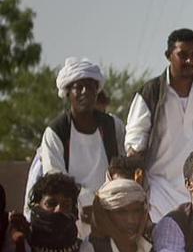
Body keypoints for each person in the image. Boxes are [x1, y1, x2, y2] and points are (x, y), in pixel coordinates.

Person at [126, 29, 193, 222]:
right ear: (168, 56)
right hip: (159, 194)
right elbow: (134, 143)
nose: (190, 62)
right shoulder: (151, 92)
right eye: (183, 55)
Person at [33, 58, 126, 232]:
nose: (85, 92)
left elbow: (122, 167)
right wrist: (85, 201)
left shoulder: (113, 126)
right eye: (78, 87)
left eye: (90, 87)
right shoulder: (56, 132)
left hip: (111, 213)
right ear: (68, 92)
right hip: (71, 215)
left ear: (97, 91)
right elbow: (55, 179)